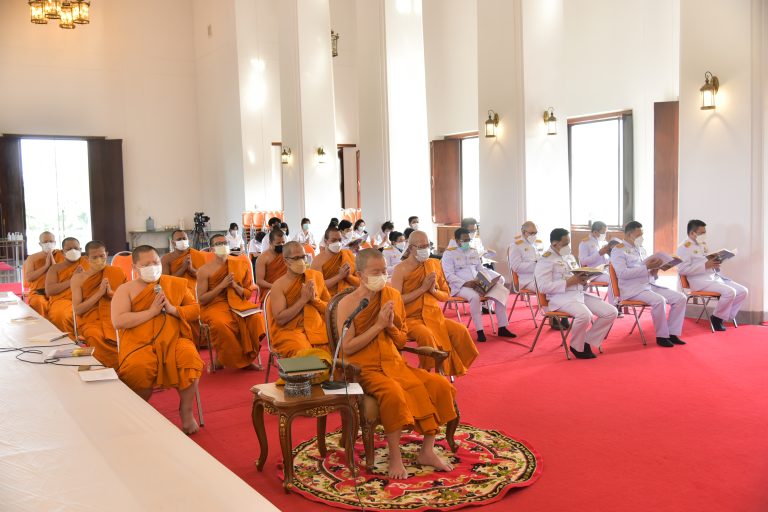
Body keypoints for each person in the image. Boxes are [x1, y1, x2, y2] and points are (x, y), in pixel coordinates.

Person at [336, 249, 457, 479]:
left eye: (384, 271)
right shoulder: (347, 303)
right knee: (393, 394)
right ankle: (395, 457)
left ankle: (427, 451)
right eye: (376, 272)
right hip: (364, 368)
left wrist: (390, 326)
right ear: (361, 274)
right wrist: (379, 325)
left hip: (395, 364)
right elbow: (348, 348)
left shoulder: (391, 295)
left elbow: (401, 339)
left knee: (440, 385)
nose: (382, 276)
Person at [111, 245, 203, 434]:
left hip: (174, 339)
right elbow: (118, 321)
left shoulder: (175, 284)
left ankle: (186, 412)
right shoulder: (125, 289)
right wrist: (151, 312)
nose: (152, 267)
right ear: (135, 268)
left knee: (190, 359)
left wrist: (173, 310)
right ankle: (138, 413)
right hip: (139, 343)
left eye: (155, 262)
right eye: (146, 264)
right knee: (138, 368)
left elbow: (195, 310)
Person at [391, 231, 478, 376]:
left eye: (427, 245)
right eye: (421, 246)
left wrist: (432, 291)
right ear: (411, 248)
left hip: (434, 316)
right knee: (426, 335)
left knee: (460, 331)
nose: (425, 249)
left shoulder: (434, 264)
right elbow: (396, 300)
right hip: (410, 319)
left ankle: (448, 368)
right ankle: (428, 372)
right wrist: (422, 289)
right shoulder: (400, 269)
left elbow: (445, 295)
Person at [534, 229, 618, 359]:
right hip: (560, 298)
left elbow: (576, 276)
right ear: (555, 243)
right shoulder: (545, 260)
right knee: (585, 315)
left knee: (611, 312)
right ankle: (576, 346)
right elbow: (543, 287)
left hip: (578, 294)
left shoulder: (569, 256)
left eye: (568, 243)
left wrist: (585, 280)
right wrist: (568, 282)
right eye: (565, 243)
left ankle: (587, 341)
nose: (568, 246)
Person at [610, 221, 687, 347]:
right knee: (659, 300)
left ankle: (673, 333)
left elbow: (647, 270)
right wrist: (646, 268)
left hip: (648, 285)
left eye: (642, 234)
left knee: (680, 298)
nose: (642, 237)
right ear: (629, 234)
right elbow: (622, 274)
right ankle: (662, 336)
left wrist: (654, 270)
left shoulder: (641, 249)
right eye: (639, 234)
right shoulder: (618, 250)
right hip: (632, 289)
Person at [197, 234, 264, 370]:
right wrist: (221, 286)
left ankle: (247, 358)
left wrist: (235, 286)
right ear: (211, 249)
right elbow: (202, 299)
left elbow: (248, 292)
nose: (223, 246)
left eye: (225, 243)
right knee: (221, 324)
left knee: (255, 319)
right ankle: (233, 360)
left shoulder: (238, 264)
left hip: (238, 302)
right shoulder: (204, 270)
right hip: (213, 305)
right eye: (218, 244)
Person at [441, 228, 517, 342]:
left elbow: (481, 269)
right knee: (475, 297)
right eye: (464, 240)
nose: (467, 242)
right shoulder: (449, 254)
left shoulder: (473, 251)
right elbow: (449, 275)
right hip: (461, 287)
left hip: (478, 283)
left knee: (501, 291)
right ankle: (480, 331)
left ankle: (502, 327)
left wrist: (486, 280)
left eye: (468, 240)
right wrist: (466, 283)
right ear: (457, 241)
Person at [677, 219, 748, 331]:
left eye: (705, 232)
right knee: (730, 292)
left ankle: (724, 316)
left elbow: (707, 261)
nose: (704, 235)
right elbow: (682, 270)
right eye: (702, 233)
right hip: (699, 281)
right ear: (692, 233)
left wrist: (715, 264)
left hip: (713, 277)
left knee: (743, 291)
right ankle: (716, 319)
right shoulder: (683, 247)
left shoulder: (703, 244)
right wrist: (705, 266)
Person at [267, 242, 331, 357]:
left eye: (303, 256)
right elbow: (280, 319)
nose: (301, 261)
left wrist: (315, 300)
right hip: (290, 331)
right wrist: (302, 300)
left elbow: (329, 308)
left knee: (337, 349)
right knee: (306, 356)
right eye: (296, 258)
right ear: (286, 261)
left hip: (316, 327)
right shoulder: (278, 285)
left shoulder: (316, 276)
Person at [70, 241, 126, 368]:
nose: (99, 260)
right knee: (95, 336)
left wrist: (111, 293)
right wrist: (99, 293)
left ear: (107, 254)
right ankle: (105, 370)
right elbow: (78, 310)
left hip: (115, 317)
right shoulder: (78, 278)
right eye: (94, 257)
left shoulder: (117, 272)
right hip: (91, 321)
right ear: (86, 258)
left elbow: (128, 300)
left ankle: (125, 372)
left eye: (102, 256)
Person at [45, 237, 89, 337]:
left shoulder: (88, 263)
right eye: (69, 249)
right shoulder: (55, 268)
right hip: (63, 301)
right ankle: (68, 343)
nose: (73, 251)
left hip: (85, 299)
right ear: (62, 252)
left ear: (81, 250)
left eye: (76, 248)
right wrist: (73, 279)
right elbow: (49, 291)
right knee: (60, 315)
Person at [577, 221, 619, 315]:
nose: (605, 235)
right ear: (595, 232)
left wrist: (609, 254)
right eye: (603, 232)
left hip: (604, 270)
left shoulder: (602, 242)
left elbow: (605, 259)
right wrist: (599, 253)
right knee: (612, 280)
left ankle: (619, 301)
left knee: (620, 276)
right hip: (592, 273)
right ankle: (614, 306)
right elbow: (583, 261)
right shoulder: (585, 243)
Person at [310, 226, 360, 295]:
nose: (338, 243)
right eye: (333, 240)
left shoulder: (347, 254)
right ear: (326, 241)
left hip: (350, 292)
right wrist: (340, 276)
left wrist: (348, 276)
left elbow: (359, 277)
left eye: (339, 240)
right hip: (330, 297)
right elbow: (319, 285)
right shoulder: (317, 260)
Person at [23, 231, 63, 316]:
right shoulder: (32, 258)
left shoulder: (61, 255)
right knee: (38, 302)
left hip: (58, 291)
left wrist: (52, 262)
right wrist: (45, 266)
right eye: (45, 242)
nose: (48, 244)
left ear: (55, 243)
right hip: (38, 292)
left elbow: (62, 275)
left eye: (51, 241)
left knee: (61, 308)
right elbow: (29, 278)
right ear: (40, 244)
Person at [508, 221, 543, 290]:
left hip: (540, 276)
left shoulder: (536, 244)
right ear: (524, 232)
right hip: (527, 280)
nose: (534, 235)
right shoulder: (516, 245)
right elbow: (516, 267)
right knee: (547, 287)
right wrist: (536, 265)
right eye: (531, 233)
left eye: (535, 233)